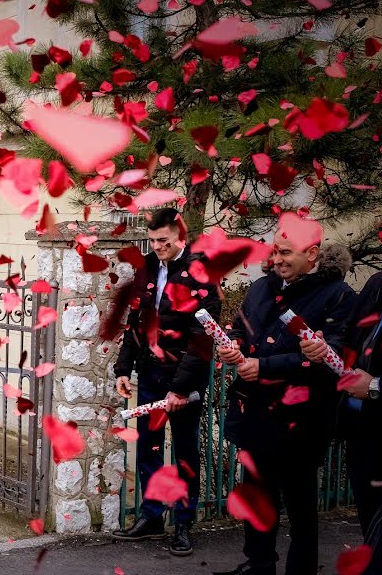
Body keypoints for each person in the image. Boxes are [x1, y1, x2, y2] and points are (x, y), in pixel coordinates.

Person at [214, 219, 356, 575]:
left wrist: (264, 366)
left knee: (299, 502)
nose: (276, 258)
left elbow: (332, 357)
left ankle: (301, 569)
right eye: (275, 250)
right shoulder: (262, 286)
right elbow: (240, 328)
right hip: (255, 411)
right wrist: (232, 347)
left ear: (312, 254)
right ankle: (259, 564)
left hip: (303, 418)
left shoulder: (339, 296)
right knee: (257, 495)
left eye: (286, 252)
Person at [299, 209, 382, 536]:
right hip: (364, 435)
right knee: (372, 531)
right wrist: (325, 348)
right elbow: (351, 339)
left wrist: (377, 386)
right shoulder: (379, 284)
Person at [109, 208, 221, 557]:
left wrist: (181, 387)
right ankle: (153, 517)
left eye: (164, 241)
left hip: (185, 377)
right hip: (151, 372)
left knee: (186, 450)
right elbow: (135, 321)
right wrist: (123, 369)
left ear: (180, 237)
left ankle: (184, 524)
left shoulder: (201, 273)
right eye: (153, 240)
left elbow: (202, 338)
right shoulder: (146, 268)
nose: (157, 246)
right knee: (149, 447)